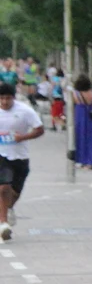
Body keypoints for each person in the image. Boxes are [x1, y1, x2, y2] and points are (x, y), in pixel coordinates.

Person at [0, 83, 44, 241]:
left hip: (20, 157)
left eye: (8, 98)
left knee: (15, 192)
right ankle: (3, 224)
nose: (5, 102)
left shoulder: (25, 111)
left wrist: (23, 137)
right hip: (2, 155)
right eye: (1, 98)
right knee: (3, 187)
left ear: (13, 98)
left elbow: (39, 129)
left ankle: (8, 209)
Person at [72, 75, 92, 170]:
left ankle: (82, 160)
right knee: (91, 139)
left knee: (80, 139)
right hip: (90, 118)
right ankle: (91, 161)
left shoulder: (76, 94)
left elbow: (72, 105)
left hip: (79, 118)